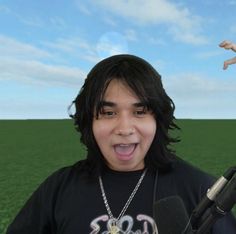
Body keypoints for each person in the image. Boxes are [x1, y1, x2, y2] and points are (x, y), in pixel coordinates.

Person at [7, 54, 236, 233]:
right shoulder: (58, 189)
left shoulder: (199, 189)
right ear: (89, 120)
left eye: (140, 111)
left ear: (158, 119)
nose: (125, 129)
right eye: (108, 112)